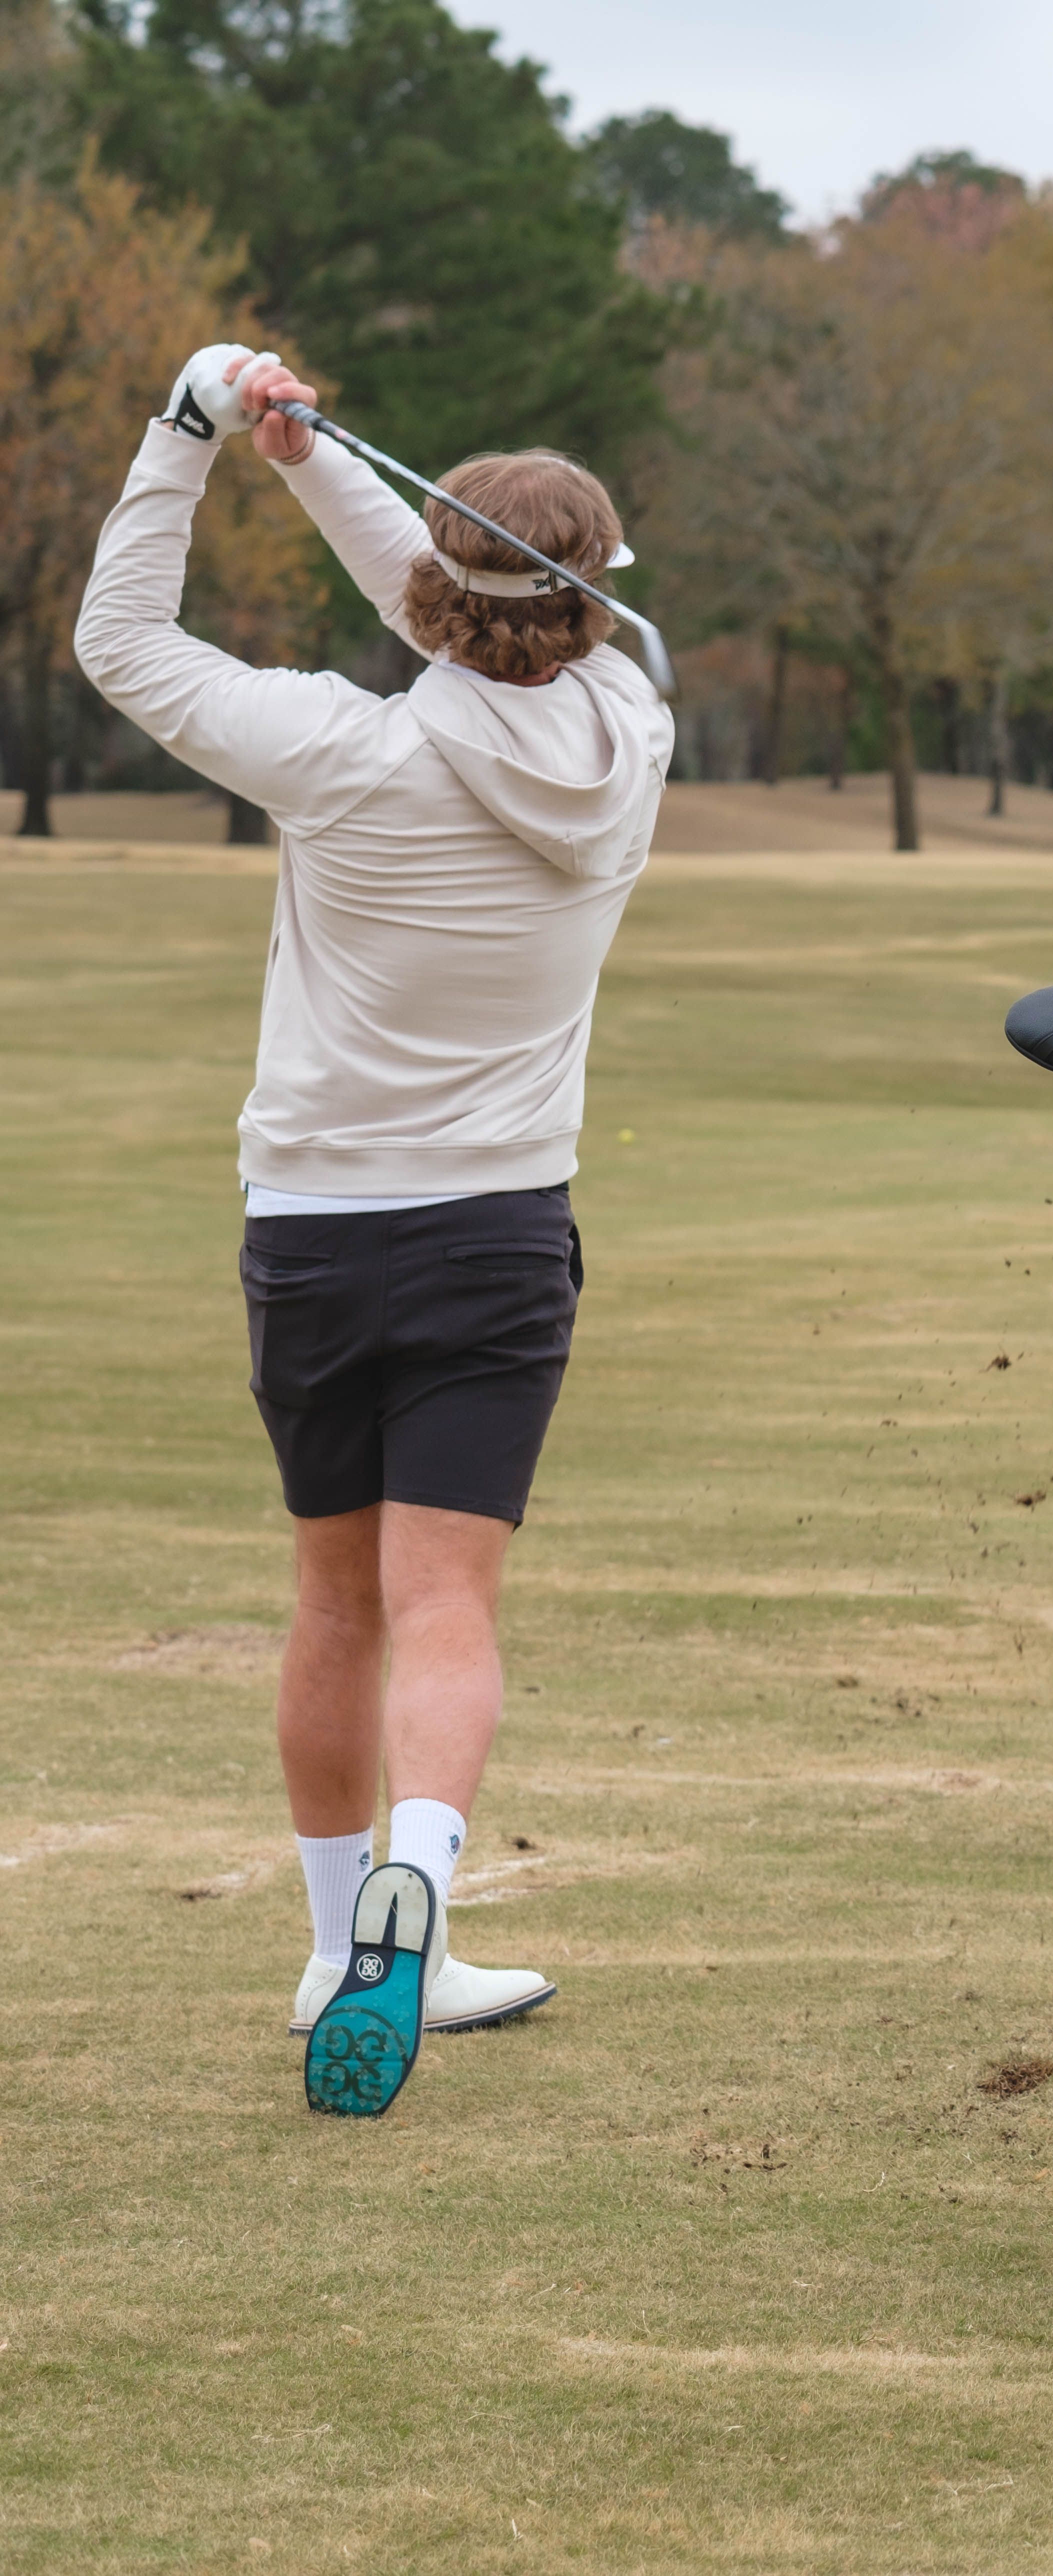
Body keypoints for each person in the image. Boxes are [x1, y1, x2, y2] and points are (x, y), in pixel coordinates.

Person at [76, 346, 669, 2114]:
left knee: (337, 1606)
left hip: (320, 1238)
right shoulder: (628, 735)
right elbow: (461, 608)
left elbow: (123, 645)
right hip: (499, 1237)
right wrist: (312, 457)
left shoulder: (340, 752)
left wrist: (196, 435)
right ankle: (428, 1875)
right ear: (591, 602)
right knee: (451, 1607)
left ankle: (346, 1939)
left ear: (439, 595)